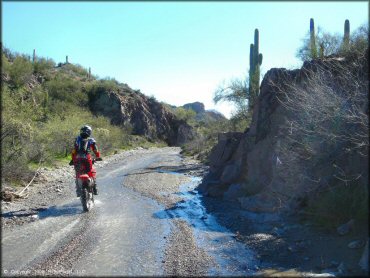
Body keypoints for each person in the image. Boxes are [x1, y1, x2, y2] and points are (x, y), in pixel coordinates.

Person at [69, 125, 102, 196]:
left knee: (78, 173)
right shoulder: (91, 140)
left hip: (77, 159)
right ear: (89, 132)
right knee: (90, 171)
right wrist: (98, 157)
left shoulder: (77, 139)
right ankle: (95, 188)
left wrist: (72, 160)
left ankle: (78, 190)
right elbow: (95, 149)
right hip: (87, 158)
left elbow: (74, 151)